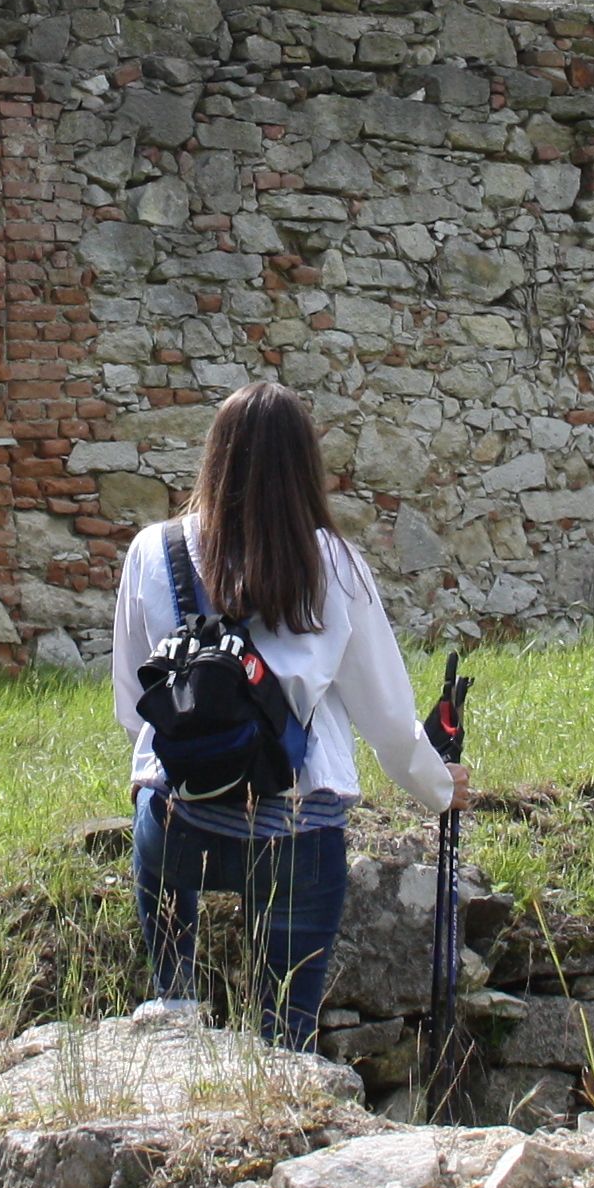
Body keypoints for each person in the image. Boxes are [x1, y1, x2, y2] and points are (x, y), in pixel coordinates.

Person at [110, 379, 463, 1046]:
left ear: (215, 457)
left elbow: (137, 708)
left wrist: (204, 752)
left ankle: (175, 1058)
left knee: (171, 1023)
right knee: (285, 1039)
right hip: (296, 823)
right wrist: (439, 791)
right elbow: (387, 720)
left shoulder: (151, 552)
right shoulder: (334, 563)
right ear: (306, 466)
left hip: (175, 810)